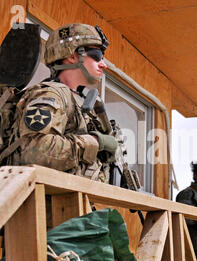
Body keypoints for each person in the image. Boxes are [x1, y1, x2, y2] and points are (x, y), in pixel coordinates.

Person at [11, 23, 119, 183]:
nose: (103, 64)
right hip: (46, 204)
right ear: (73, 56)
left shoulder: (80, 101)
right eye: (96, 55)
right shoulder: (51, 94)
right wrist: (95, 142)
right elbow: (36, 152)